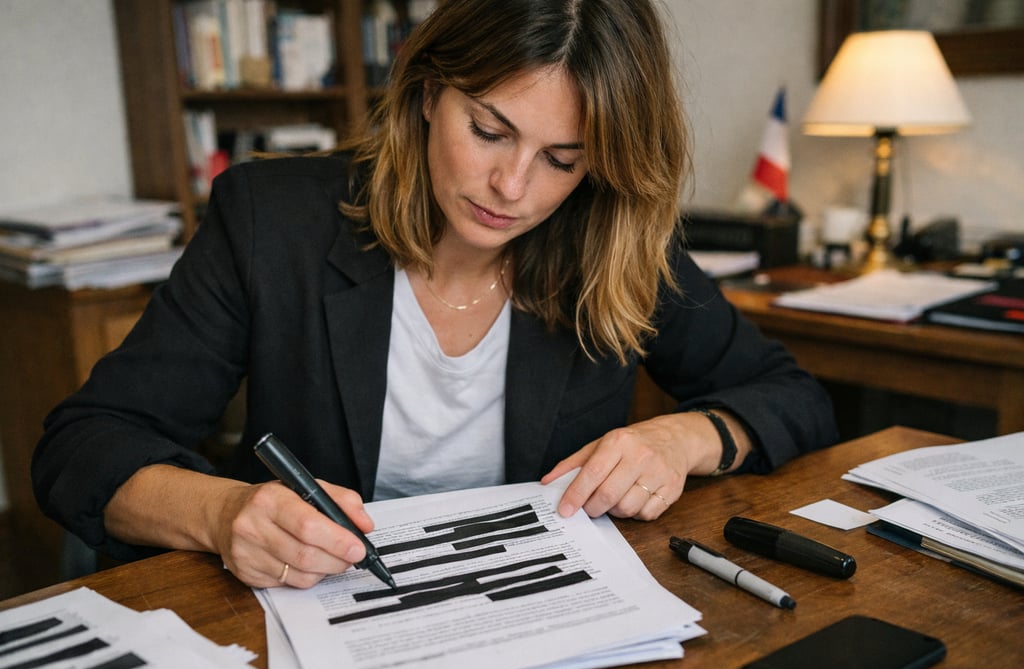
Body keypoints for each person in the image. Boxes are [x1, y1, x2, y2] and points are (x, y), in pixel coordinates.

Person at [33, 0, 836, 590]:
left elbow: (794, 397)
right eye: (489, 130)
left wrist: (685, 439)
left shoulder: (613, 238)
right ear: (426, 92)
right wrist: (221, 513)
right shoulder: (269, 221)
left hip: (538, 619)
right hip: (317, 621)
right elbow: (85, 444)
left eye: (562, 158)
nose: (511, 187)